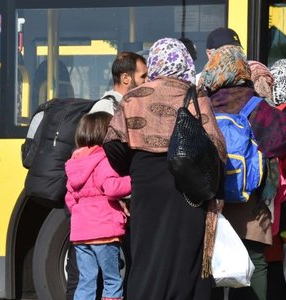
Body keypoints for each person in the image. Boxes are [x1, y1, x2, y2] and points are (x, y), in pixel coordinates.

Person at [102, 37, 226, 300]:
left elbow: (112, 144)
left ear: (155, 62)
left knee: (148, 258)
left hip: (146, 190)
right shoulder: (195, 96)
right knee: (186, 260)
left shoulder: (134, 98)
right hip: (188, 191)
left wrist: (132, 168)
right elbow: (216, 148)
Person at [199, 45, 286, 300]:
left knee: (212, 263)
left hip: (210, 198)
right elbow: (282, 141)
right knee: (255, 261)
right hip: (251, 196)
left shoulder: (203, 103)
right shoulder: (256, 105)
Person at [64, 111, 132, 300]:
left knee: (86, 280)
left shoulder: (74, 163)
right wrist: (134, 181)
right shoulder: (104, 160)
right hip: (104, 232)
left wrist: (83, 216)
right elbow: (111, 188)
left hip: (80, 235)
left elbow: (70, 199)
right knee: (112, 280)